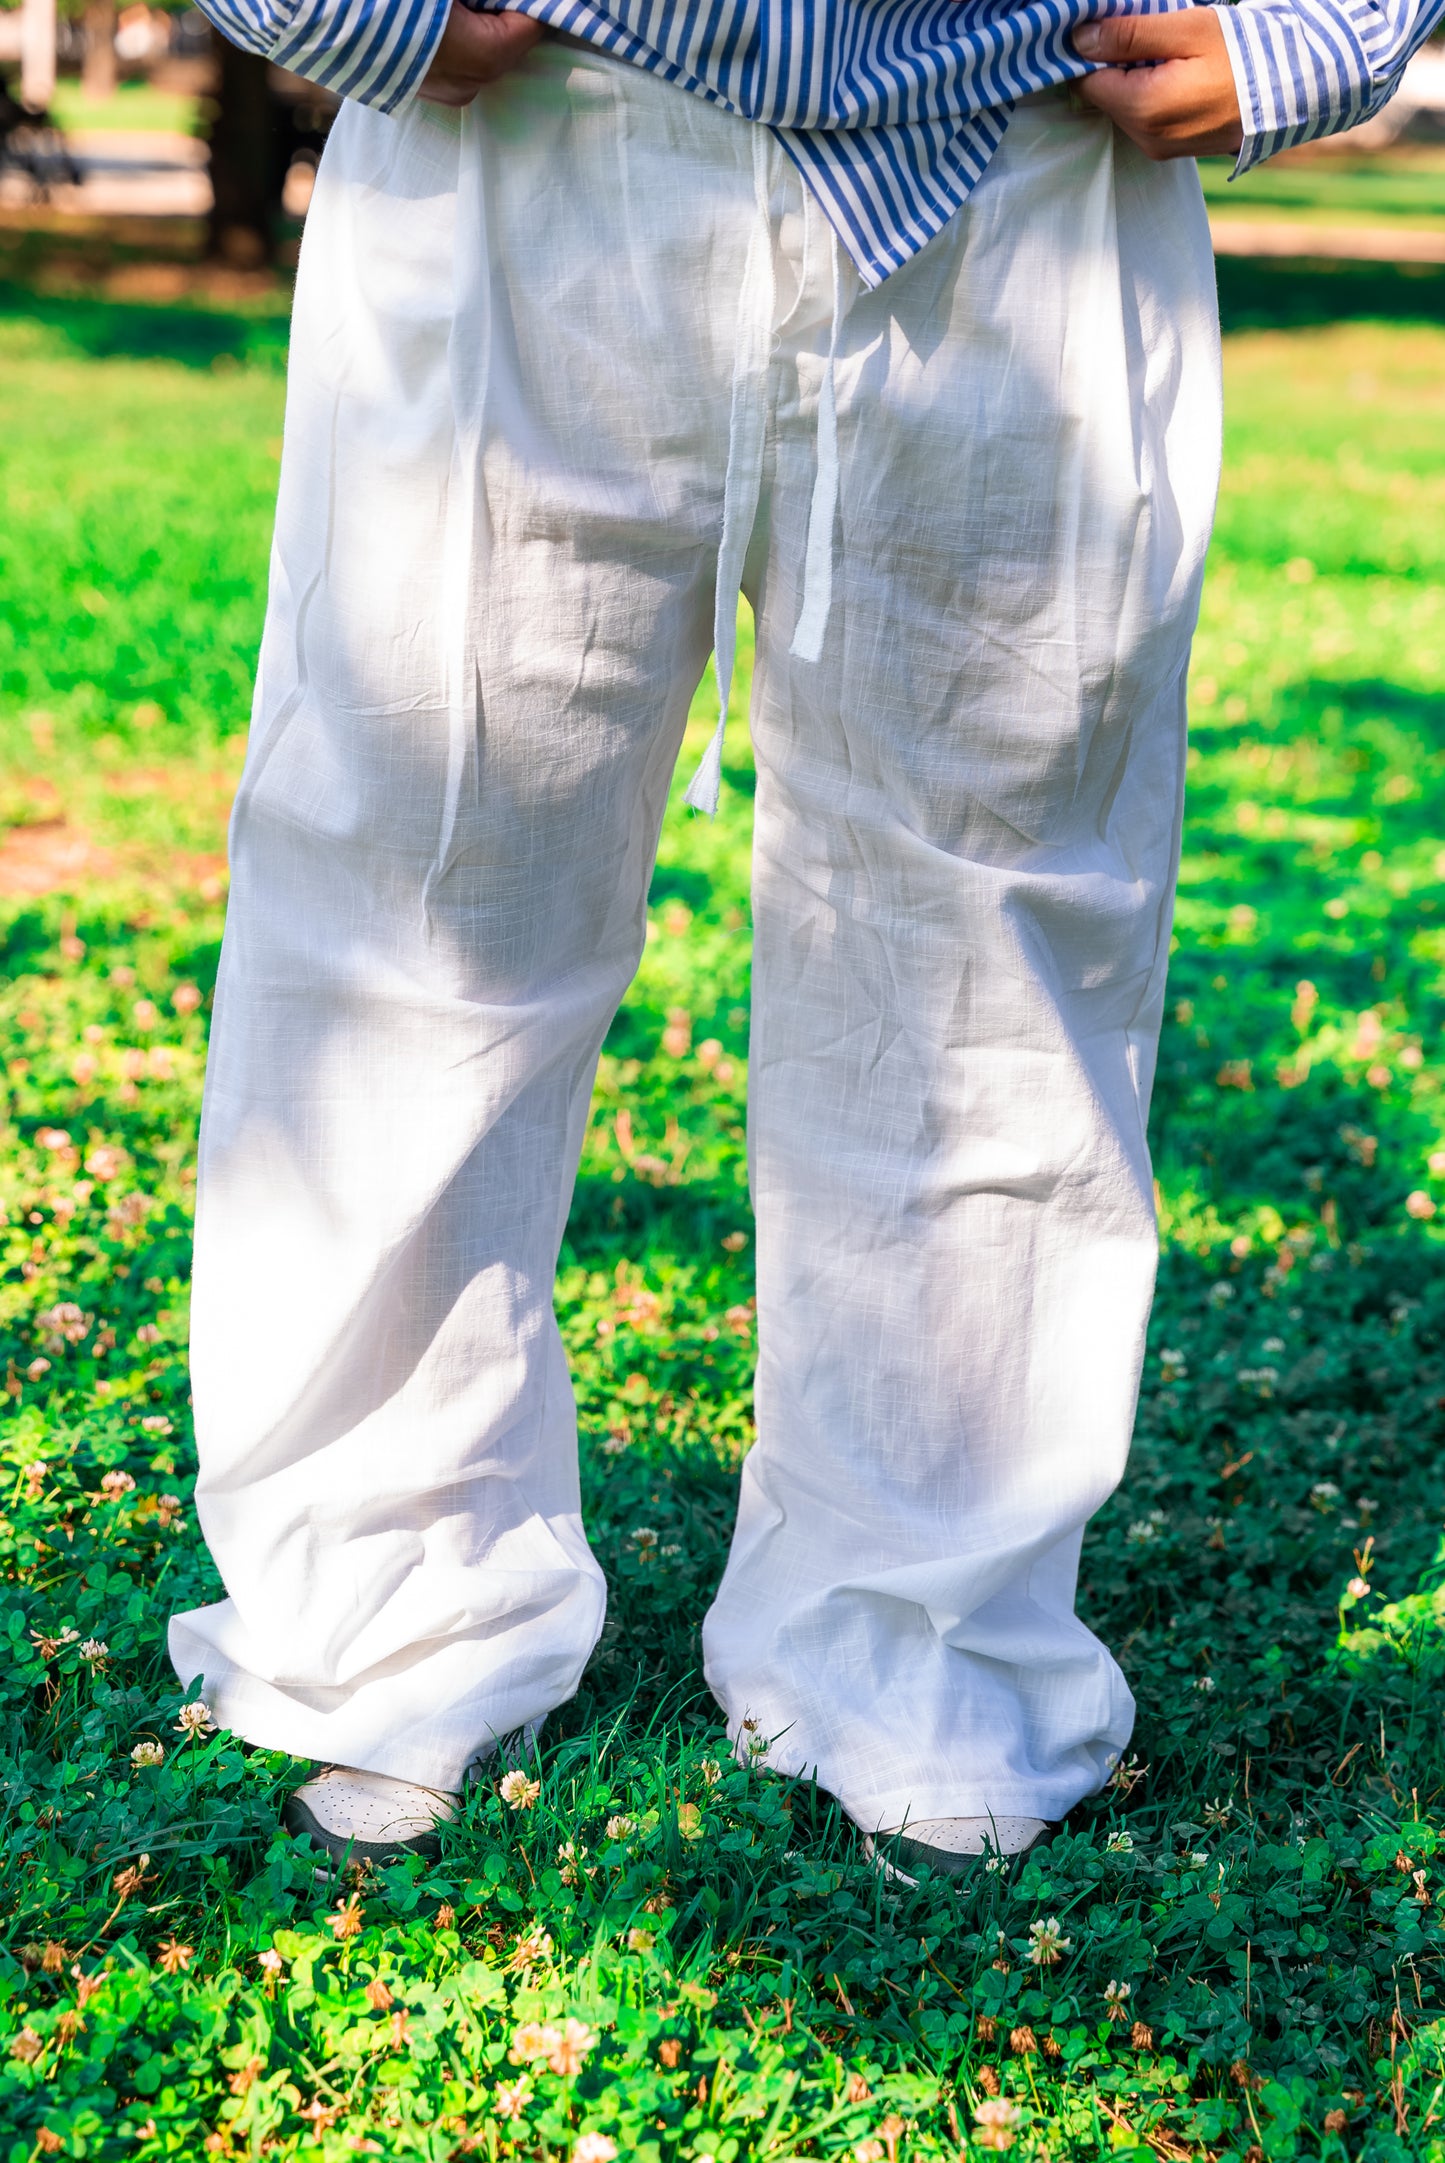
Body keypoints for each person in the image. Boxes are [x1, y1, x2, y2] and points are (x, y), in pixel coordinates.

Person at [172, 0, 1442, 1877]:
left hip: (1026, 143)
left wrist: (1314, 24)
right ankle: (379, 1618)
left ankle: (925, 1645)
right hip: (523, 130)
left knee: (991, 949)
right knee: (412, 905)